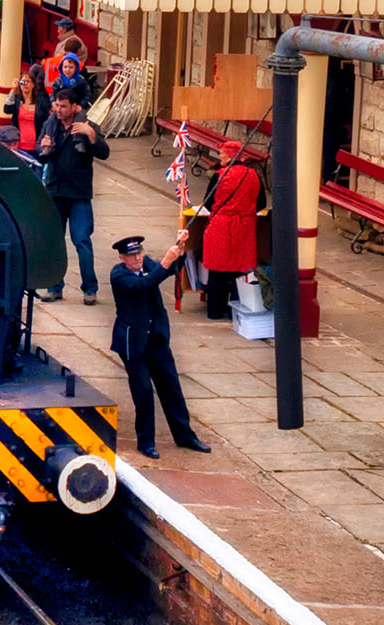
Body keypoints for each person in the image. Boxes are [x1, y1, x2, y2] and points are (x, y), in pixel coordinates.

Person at [109, 234, 211, 459]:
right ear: (122, 258)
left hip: (155, 339)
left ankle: (185, 436)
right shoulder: (118, 275)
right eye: (131, 256)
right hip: (134, 343)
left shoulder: (148, 265)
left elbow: (170, 269)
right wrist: (166, 262)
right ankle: (146, 441)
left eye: (139, 253)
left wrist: (180, 249)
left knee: (171, 387)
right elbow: (144, 284)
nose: (137, 259)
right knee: (143, 392)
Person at [35, 88, 109, 305]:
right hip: (55, 191)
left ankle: (90, 288)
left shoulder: (87, 126)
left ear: (75, 107)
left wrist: (91, 135)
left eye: (63, 106)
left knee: (82, 240)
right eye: (57, 105)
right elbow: (42, 153)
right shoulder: (51, 125)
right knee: (55, 242)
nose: (58, 110)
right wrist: (44, 148)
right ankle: (54, 287)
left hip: (79, 193)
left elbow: (104, 152)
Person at [201, 140, 260, 320]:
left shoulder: (219, 176)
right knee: (240, 269)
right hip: (245, 226)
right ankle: (238, 309)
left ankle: (215, 311)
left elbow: (208, 203)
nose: (219, 157)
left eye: (222, 153)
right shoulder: (253, 175)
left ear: (229, 155)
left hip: (221, 225)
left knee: (217, 270)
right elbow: (262, 202)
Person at [2, 70, 48, 156]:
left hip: (36, 145)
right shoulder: (17, 100)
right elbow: (7, 109)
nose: (25, 84)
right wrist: (13, 91)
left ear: (33, 85)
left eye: (28, 81)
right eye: (23, 82)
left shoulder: (41, 101)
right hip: (19, 145)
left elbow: (47, 120)